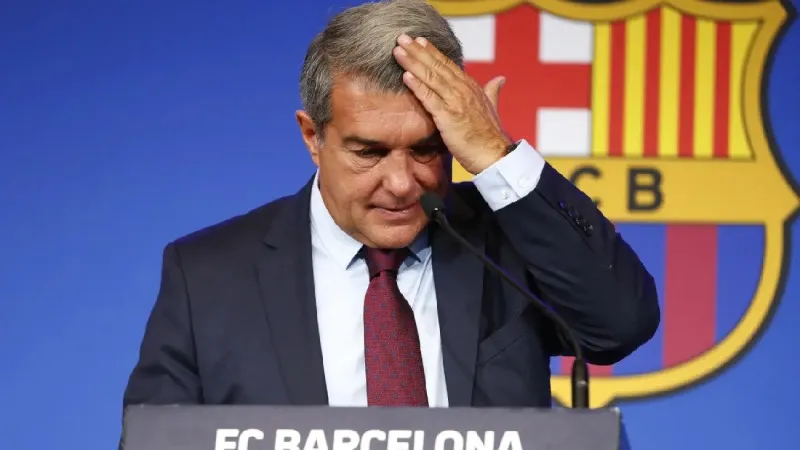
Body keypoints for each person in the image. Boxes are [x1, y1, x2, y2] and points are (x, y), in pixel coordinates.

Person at [122, 0, 659, 410]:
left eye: (427, 149)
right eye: (369, 153)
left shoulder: (507, 241)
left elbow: (620, 324)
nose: (402, 184)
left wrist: (495, 155)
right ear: (312, 136)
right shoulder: (208, 274)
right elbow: (157, 440)